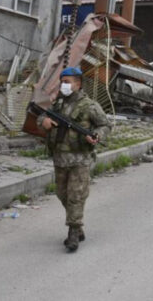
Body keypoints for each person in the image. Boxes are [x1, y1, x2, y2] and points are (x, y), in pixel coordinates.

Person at [38, 67, 110, 252]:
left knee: (76, 195)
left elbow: (105, 125)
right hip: (60, 157)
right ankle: (78, 227)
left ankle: (72, 233)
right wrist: (43, 122)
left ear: (78, 84)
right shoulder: (58, 104)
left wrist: (96, 135)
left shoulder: (89, 105)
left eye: (68, 81)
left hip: (80, 158)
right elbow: (43, 116)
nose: (64, 85)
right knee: (63, 194)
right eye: (62, 81)